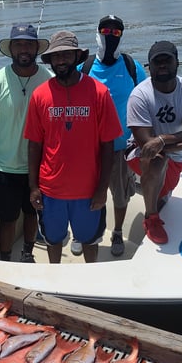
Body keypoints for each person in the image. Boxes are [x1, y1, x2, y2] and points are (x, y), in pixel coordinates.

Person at [25, 31, 123, 264]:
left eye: (67, 55)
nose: (61, 61)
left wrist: (101, 190)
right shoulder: (40, 95)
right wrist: (33, 187)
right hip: (51, 190)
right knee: (53, 241)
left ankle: (91, 281)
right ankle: (56, 283)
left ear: (78, 57)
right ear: (50, 60)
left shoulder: (99, 92)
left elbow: (108, 146)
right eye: (56, 56)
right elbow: (34, 144)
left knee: (90, 241)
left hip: (88, 191)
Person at [126, 40, 182, 244]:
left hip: (170, 150)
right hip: (138, 151)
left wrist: (163, 139)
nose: (163, 65)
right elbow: (147, 147)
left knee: (164, 188)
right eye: (157, 62)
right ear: (150, 66)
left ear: (177, 62)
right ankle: (151, 218)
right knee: (157, 162)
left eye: (168, 60)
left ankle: (154, 193)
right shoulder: (139, 95)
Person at [73, 14, 147, 257]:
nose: (111, 36)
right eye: (106, 31)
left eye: (116, 33)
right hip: (89, 148)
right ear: (98, 32)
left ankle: (116, 231)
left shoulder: (131, 66)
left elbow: (146, 100)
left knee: (120, 194)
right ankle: (81, 232)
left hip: (121, 146)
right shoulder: (83, 66)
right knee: (85, 192)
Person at [0, 24, 52, 263]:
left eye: (29, 44)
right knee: (7, 219)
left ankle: (28, 253)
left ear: (36, 48)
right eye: (19, 44)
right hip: (4, 167)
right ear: (11, 48)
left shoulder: (48, 80)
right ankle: (4, 258)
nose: (24, 49)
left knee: (33, 213)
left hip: (38, 166)